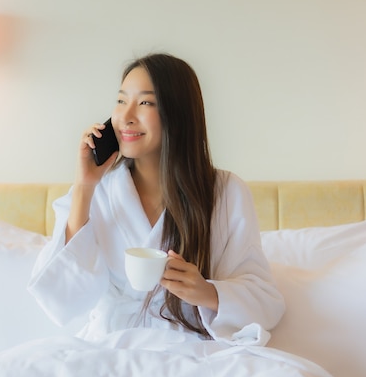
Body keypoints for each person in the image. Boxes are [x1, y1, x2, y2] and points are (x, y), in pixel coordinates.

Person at [28, 53, 284, 345]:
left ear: (178, 114)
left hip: (193, 351)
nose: (125, 116)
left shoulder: (226, 192)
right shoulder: (97, 192)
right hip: (111, 348)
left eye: (145, 102)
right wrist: (84, 188)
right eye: (121, 101)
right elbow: (59, 295)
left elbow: (267, 301)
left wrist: (208, 293)